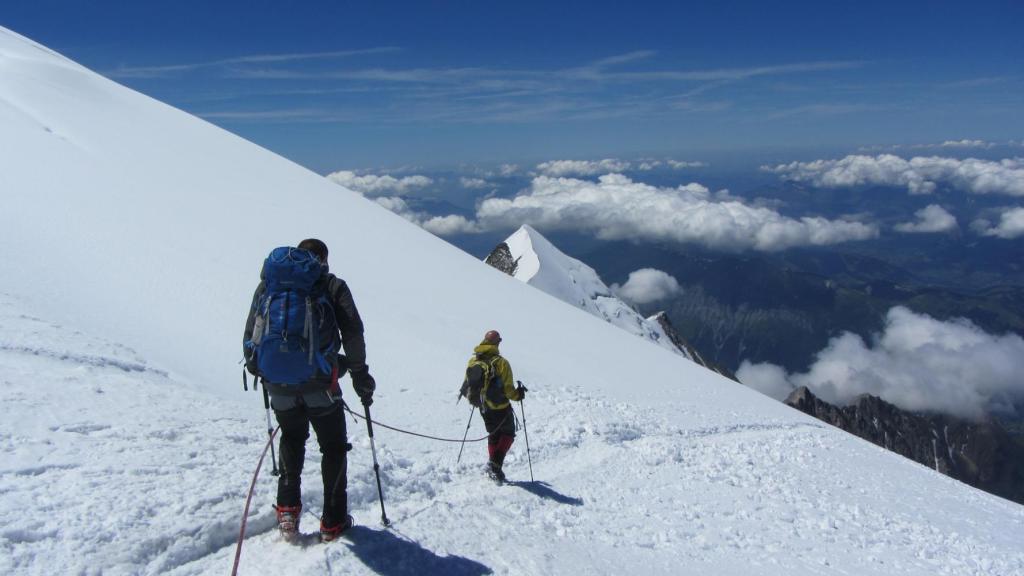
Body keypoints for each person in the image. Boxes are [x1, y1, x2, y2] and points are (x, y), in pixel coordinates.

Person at [243, 238, 376, 542]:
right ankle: (333, 521)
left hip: (278, 386)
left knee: (292, 437)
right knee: (333, 447)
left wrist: (261, 369)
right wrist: (359, 375)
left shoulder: (268, 287)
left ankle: (287, 509)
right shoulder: (331, 286)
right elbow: (353, 332)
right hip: (320, 384)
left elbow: (251, 331)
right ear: (323, 260)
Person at [469, 329, 526, 483]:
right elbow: (508, 390)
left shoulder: (474, 361)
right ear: (496, 343)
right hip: (500, 407)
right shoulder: (501, 363)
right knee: (508, 434)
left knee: (494, 435)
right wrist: (518, 395)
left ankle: (492, 463)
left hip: (483, 407)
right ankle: (495, 465)